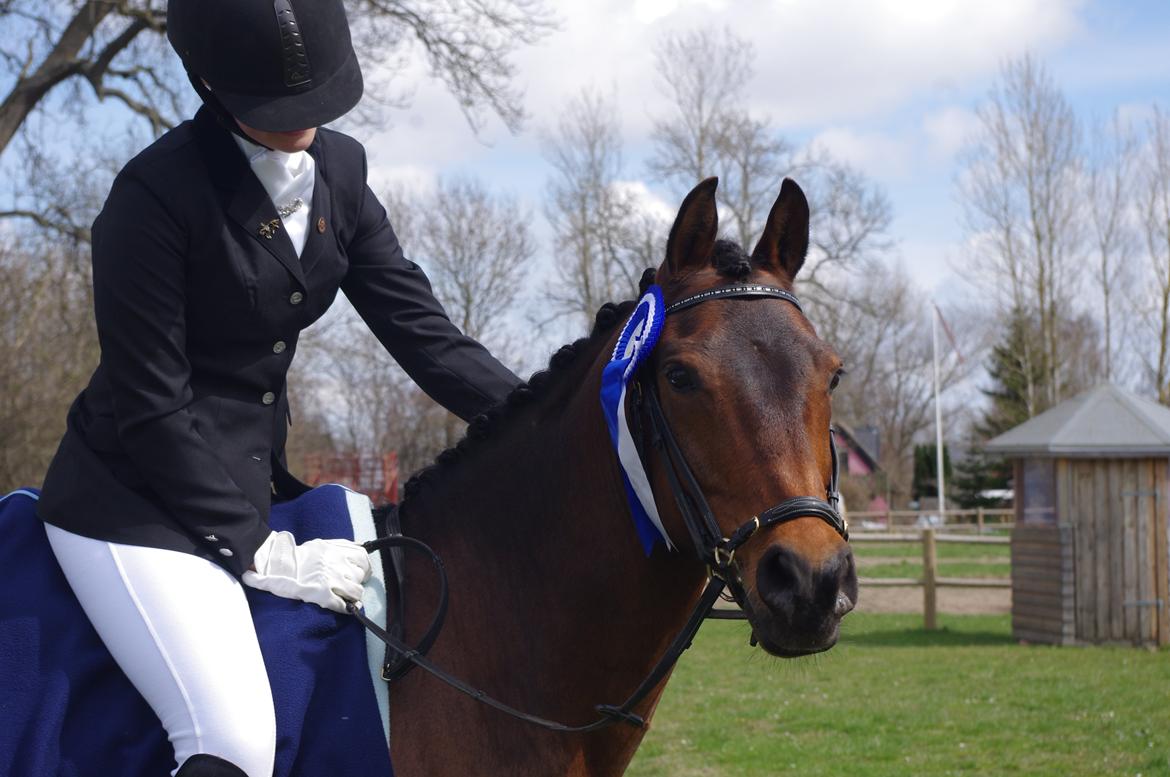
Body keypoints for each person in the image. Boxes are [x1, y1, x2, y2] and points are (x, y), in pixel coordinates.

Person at [35, 1, 521, 775]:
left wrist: (549, 411)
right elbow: (153, 409)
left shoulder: (342, 172)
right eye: (280, 104)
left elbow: (424, 333)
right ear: (210, 84)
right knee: (233, 737)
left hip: (251, 476)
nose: (306, 121)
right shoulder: (151, 199)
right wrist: (262, 550)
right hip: (131, 502)